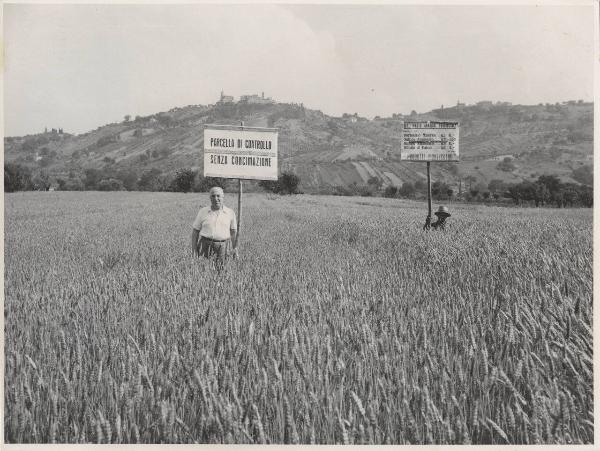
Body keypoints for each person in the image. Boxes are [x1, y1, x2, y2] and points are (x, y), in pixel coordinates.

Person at [191, 187, 238, 269]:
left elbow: (233, 233)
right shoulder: (203, 211)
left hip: (223, 247)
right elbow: (195, 232)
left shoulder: (230, 213)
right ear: (210, 198)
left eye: (218, 196)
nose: (216, 198)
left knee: (222, 272)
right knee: (203, 272)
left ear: (223, 197)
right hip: (204, 245)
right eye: (213, 196)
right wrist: (194, 250)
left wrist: (235, 250)